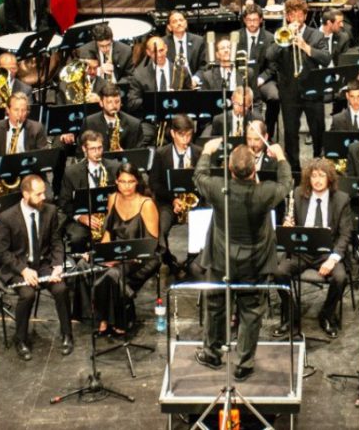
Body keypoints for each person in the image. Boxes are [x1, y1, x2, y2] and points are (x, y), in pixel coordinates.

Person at [194, 140, 293, 381]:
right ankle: (244, 364)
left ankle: (212, 353)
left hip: (221, 259)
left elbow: (199, 176)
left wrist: (206, 151)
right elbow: (286, 183)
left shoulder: (218, 188)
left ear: (229, 168)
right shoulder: (264, 192)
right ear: (254, 169)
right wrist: (280, 157)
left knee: (216, 307)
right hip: (254, 262)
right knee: (251, 312)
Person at [0, 175, 73, 360]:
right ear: (25, 194)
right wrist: (23, 270)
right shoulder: (7, 217)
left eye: (43, 192)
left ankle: (67, 334)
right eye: (38, 194)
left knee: (61, 289)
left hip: (42, 263)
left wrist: (57, 265)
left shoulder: (50, 211)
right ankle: (20, 339)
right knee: (27, 294)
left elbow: (56, 242)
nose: (44, 197)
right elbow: (2, 252)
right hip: (17, 266)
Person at [273, 158, 352, 338]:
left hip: (327, 253)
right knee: (278, 273)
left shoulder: (341, 199)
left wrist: (332, 260)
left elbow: (345, 235)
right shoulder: (298, 193)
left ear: (329, 178)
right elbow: (289, 223)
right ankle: (292, 315)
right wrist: (288, 225)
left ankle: (327, 315)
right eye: (314, 176)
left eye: (321, 176)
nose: (317, 180)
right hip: (301, 251)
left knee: (340, 278)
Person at [92, 164, 162, 336]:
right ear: (116, 182)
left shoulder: (146, 204)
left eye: (131, 181)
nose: (127, 186)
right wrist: (103, 254)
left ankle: (120, 319)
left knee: (113, 273)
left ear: (137, 182)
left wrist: (118, 259)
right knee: (90, 266)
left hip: (143, 256)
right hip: (118, 252)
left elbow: (151, 245)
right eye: (122, 181)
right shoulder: (113, 198)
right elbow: (108, 231)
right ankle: (104, 318)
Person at [264, 0, 331, 169]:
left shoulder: (315, 34)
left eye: (299, 15)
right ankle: (294, 171)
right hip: (289, 92)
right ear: (287, 17)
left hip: (312, 91)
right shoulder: (280, 34)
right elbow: (269, 55)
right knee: (290, 133)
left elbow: (326, 58)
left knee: (318, 131)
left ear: (305, 16)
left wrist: (306, 47)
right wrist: (283, 40)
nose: (296, 19)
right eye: (292, 15)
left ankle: (318, 165)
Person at [148, 115, 202, 274]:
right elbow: (154, 183)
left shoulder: (199, 153)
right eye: (181, 135)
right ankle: (168, 260)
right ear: (172, 133)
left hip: (194, 202)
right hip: (168, 202)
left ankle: (192, 260)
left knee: (201, 224)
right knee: (161, 227)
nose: (186, 140)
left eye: (189, 135)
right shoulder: (161, 153)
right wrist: (173, 200)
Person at [59, 130, 120, 252]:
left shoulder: (114, 167)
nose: (97, 152)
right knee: (76, 238)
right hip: (84, 216)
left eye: (100, 148)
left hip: (109, 215)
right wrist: (81, 217)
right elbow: (64, 203)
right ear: (84, 149)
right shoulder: (71, 172)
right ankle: (82, 261)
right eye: (92, 149)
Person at [0, 92, 51, 194]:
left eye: (23, 110)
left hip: (29, 175)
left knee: (48, 196)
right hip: (2, 177)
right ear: (8, 110)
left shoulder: (37, 128)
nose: (20, 114)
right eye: (16, 110)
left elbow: (43, 158)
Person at [127, 36, 194, 143]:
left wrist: (178, 97)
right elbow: (132, 103)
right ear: (148, 53)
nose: (159, 55)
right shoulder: (139, 75)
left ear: (166, 48)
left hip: (176, 120)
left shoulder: (181, 71)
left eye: (161, 50)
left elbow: (191, 99)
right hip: (151, 121)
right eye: (154, 52)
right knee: (142, 137)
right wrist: (155, 100)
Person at [237, 3, 279, 137]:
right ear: (244, 20)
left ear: (261, 20)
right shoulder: (236, 36)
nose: (252, 23)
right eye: (249, 20)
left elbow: (273, 66)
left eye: (255, 20)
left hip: (263, 79)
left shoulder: (270, 38)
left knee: (274, 97)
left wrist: (261, 78)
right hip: (241, 79)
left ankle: (268, 132)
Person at [79, 82, 145, 150]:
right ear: (101, 103)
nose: (114, 106)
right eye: (109, 102)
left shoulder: (134, 125)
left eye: (117, 101)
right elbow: (80, 150)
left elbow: (140, 152)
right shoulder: (89, 123)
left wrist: (124, 153)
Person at [77, 23, 136, 93]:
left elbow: (131, 76)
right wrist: (98, 71)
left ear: (112, 40)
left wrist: (116, 86)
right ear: (95, 42)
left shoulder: (125, 50)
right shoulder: (84, 51)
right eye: (101, 46)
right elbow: (80, 78)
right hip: (95, 92)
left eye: (108, 45)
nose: (105, 49)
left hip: (118, 90)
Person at [164, 10, 207, 76]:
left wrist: (196, 79)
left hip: (193, 79)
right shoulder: (163, 43)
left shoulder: (198, 41)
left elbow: (203, 65)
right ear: (169, 27)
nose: (179, 23)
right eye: (175, 21)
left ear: (186, 23)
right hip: (172, 80)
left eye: (181, 20)